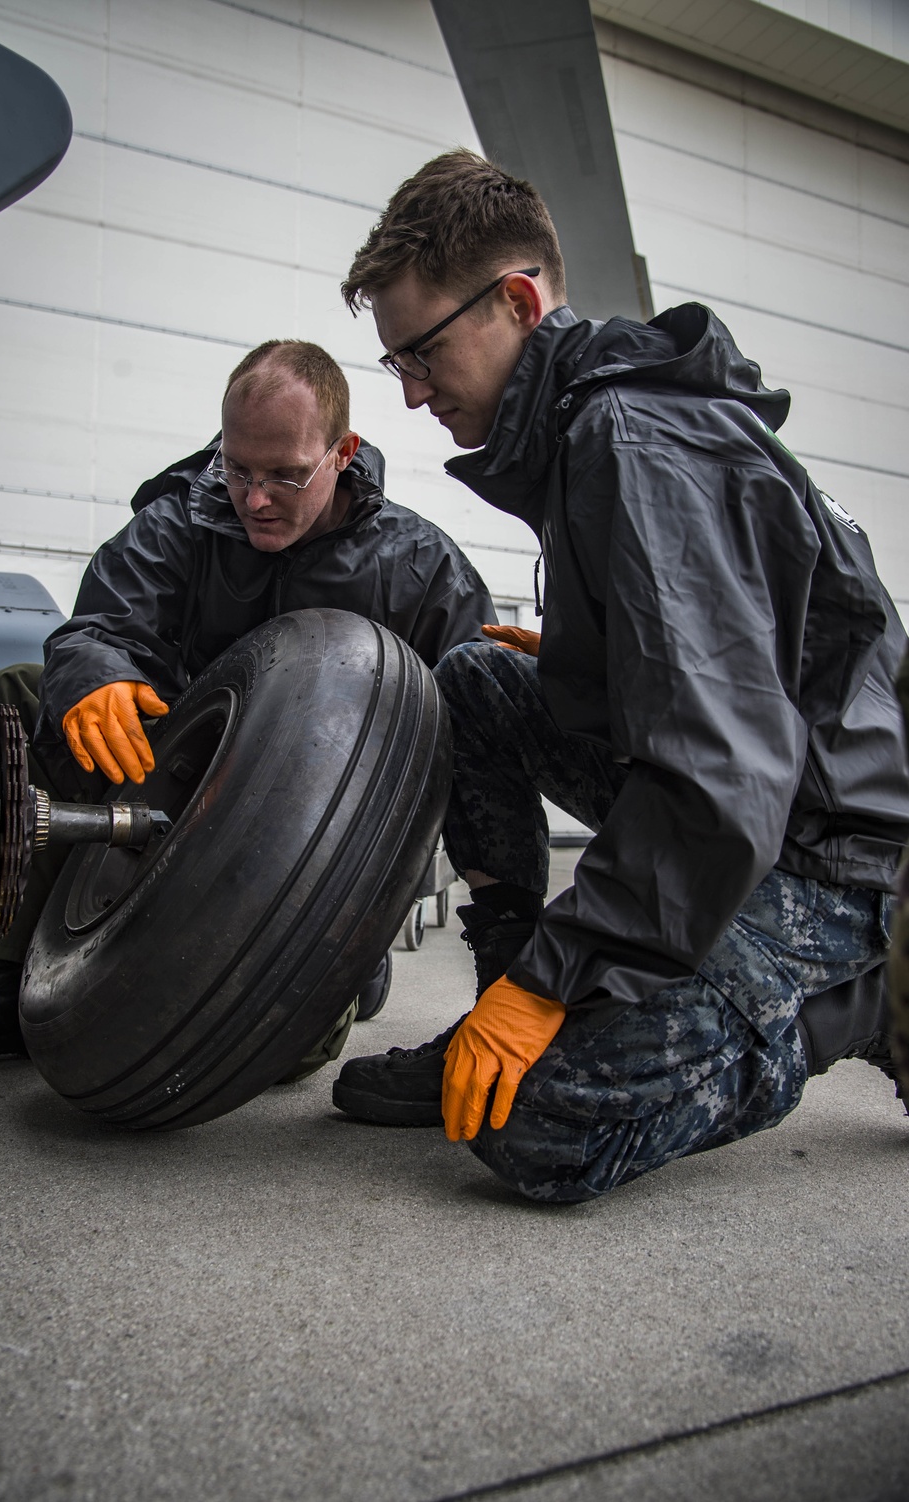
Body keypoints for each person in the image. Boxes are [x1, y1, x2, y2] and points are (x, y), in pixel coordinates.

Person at [332, 150, 909, 1203]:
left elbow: (723, 773)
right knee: (473, 677)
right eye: (394, 366)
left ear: (515, 299)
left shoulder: (633, 438)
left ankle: (863, 996)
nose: (411, 395)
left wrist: (563, 978)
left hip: (823, 855)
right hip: (754, 797)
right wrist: (575, 667)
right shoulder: (586, 428)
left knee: (541, 1129)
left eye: (420, 353)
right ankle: (502, 998)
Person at [0, 338, 496, 1068]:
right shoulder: (184, 519)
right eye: (239, 469)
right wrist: (96, 672)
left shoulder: (423, 569)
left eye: (286, 475)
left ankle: (353, 965)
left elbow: (479, 729)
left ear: (343, 452)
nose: (256, 499)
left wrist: (387, 875)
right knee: (18, 695)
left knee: (272, 1054)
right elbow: (98, 626)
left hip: (312, 826)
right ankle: (4, 972)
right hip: (180, 766)